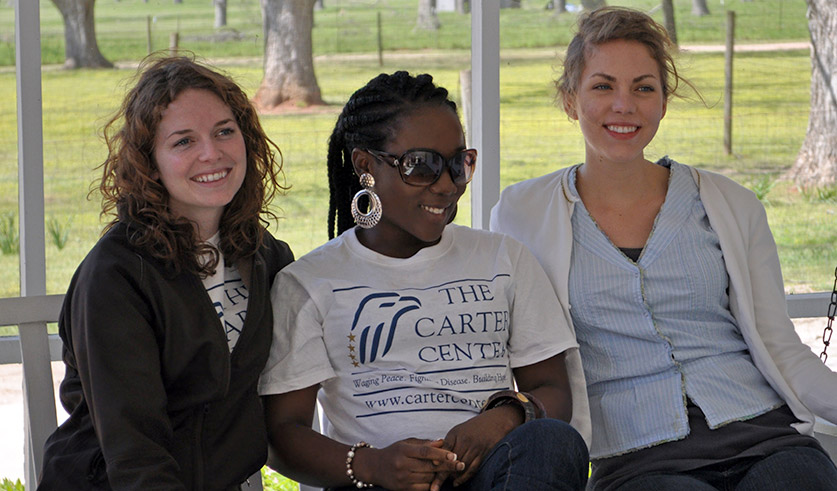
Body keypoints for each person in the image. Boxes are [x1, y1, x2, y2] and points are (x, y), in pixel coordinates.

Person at [491, 6, 837, 491]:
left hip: (765, 436)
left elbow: (780, 346)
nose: (624, 105)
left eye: (643, 87)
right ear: (570, 100)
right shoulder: (523, 214)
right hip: (637, 460)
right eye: (603, 86)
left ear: (664, 101)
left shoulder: (729, 204)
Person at [258, 71, 589, 491]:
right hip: (377, 483)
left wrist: (503, 417)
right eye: (422, 165)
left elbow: (553, 389)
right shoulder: (310, 283)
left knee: (550, 441)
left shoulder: (502, 259)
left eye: (458, 164)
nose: (447, 184)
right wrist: (374, 466)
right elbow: (282, 434)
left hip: (496, 477)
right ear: (366, 166)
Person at [37, 55, 294, 490]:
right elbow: (135, 452)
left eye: (224, 132)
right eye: (183, 142)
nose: (212, 153)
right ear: (149, 162)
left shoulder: (265, 256)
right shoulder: (116, 275)